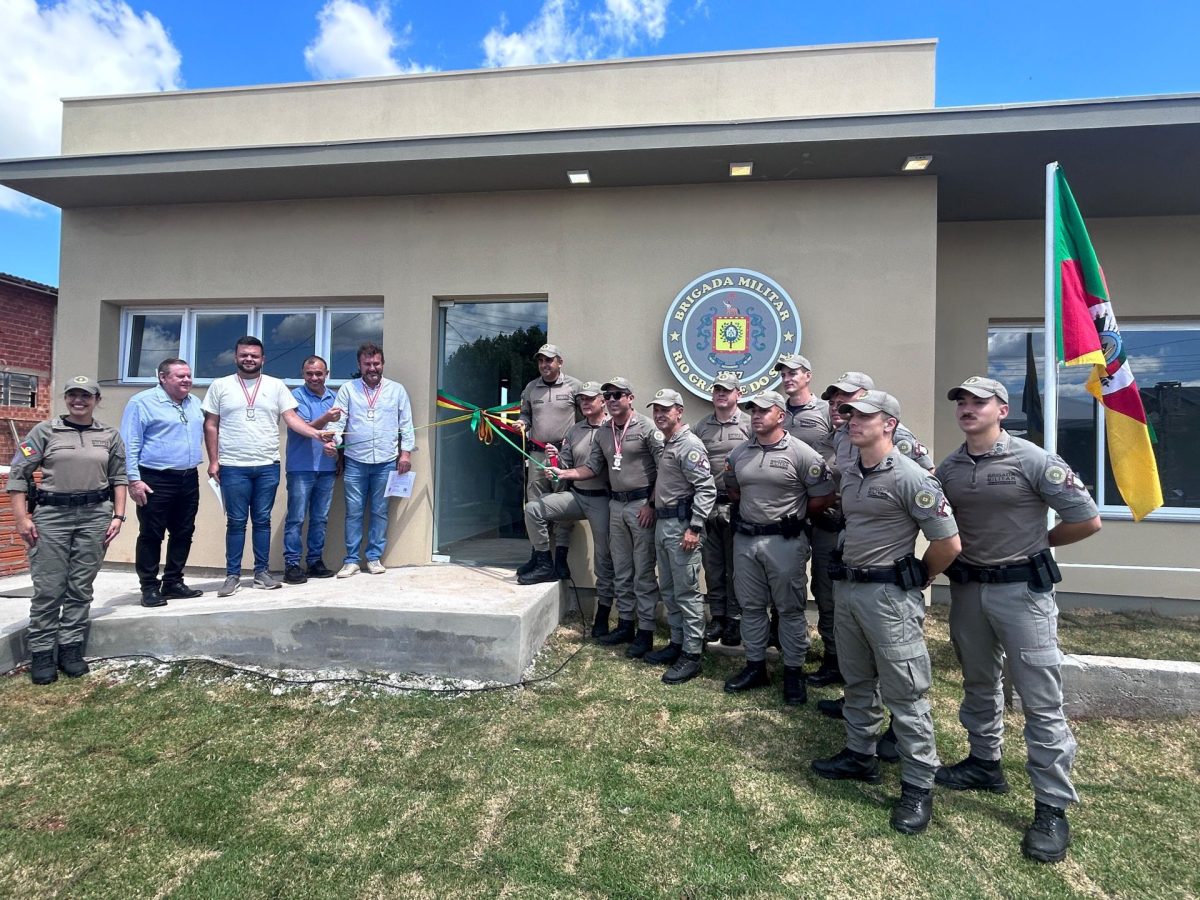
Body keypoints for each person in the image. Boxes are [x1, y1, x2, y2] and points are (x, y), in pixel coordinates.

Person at [935, 376, 1101, 863]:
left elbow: (1086, 519)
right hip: (969, 591)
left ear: (1002, 410)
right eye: (961, 401)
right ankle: (984, 763)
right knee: (978, 682)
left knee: (1040, 699)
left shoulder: (1033, 460)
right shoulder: (950, 467)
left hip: (1022, 594)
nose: (968, 409)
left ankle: (1051, 805)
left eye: (979, 402)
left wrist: (1038, 546)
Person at [811, 391, 960, 836]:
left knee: (905, 693)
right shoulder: (852, 474)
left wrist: (922, 576)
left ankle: (918, 784)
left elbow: (948, 543)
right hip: (851, 591)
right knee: (857, 680)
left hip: (890, 598)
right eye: (849, 415)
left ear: (889, 424)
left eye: (862, 416)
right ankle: (860, 754)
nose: (850, 421)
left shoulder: (912, 478)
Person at [7, 376, 128, 684]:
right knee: (49, 588)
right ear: (66, 398)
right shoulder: (44, 431)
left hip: (95, 516)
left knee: (80, 586)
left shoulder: (109, 435)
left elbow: (119, 478)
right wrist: (22, 519)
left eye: (86, 396)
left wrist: (119, 516)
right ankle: (42, 653)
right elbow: (19, 475)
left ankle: (70, 648)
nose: (79, 400)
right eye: (73, 395)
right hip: (52, 517)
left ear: (96, 400)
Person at [722, 390, 835, 704]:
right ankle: (755, 666)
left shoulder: (803, 454)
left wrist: (793, 517)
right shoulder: (738, 454)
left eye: (763, 410)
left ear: (780, 416)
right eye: (752, 411)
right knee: (752, 607)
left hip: (784, 542)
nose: (755, 416)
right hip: (746, 541)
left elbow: (823, 496)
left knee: (789, 609)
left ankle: (794, 673)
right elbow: (734, 491)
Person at [202, 336, 334, 597]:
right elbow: (210, 424)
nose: (249, 359)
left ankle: (262, 573)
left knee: (262, 521)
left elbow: (291, 419)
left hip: (267, 465)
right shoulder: (220, 385)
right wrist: (214, 460)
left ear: (263, 359)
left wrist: (315, 433)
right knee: (236, 523)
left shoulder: (276, 386)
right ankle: (232, 576)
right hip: (233, 465)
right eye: (244, 355)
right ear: (236, 357)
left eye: (254, 355)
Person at [549, 377, 663, 656]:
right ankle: (625, 624)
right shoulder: (604, 432)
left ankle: (645, 631)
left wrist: (652, 504)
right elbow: (591, 468)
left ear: (630, 398)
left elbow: (665, 470)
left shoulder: (647, 427)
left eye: (617, 395)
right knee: (621, 569)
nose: (612, 400)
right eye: (608, 395)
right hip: (615, 505)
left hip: (641, 506)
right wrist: (565, 473)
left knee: (643, 571)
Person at [519, 383, 616, 638]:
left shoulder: (613, 428)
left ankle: (603, 614)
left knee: (604, 559)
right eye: (582, 399)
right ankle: (543, 563)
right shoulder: (575, 430)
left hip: (603, 500)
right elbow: (565, 465)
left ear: (602, 401)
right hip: (577, 495)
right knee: (533, 509)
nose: (585, 403)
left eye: (590, 399)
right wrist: (554, 457)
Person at [642, 388, 716, 684]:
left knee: (687, 593)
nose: (660, 414)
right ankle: (676, 643)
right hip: (664, 524)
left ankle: (692, 654)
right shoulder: (669, 443)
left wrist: (695, 527)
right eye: (656, 409)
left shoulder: (689, 445)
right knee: (670, 590)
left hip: (682, 527)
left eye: (666, 409)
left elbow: (706, 489)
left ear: (679, 412)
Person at [775, 354, 840, 685]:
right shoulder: (776, 412)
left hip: (825, 512)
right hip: (790, 514)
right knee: (787, 580)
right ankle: (790, 645)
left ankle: (833, 657)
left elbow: (843, 451)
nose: (788, 378)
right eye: (783, 373)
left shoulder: (827, 411)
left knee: (825, 587)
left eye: (794, 373)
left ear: (808, 376)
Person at [119, 358, 205, 608]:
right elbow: (130, 444)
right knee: (151, 534)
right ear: (163, 377)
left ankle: (173, 582)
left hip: (188, 476)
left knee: (184, 532)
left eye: (188, 375)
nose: (187, 380)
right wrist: (133, 480)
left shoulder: (195, 402)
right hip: (155, 478)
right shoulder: (141, 402)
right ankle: (149, 587)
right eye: (180, 376)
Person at [328, 342, 415, 578]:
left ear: (383, 363)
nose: (372, 368)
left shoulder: (397, 390)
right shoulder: (347, 390)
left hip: (387, 461)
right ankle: (351, 561)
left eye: (376, 363)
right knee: (353, 512)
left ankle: (374, 558)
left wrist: (405, 453)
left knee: (379, 511)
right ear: (360, 365)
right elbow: (337, 422)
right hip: (356, 461)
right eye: (367, 364)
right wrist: (332, 443)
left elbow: (406, 424)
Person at [692, 371, 752, 646]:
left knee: (736, 567)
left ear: (738, 394)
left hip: (738, 505)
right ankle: (717, 616)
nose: (721, 394)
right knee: (712, 565)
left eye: (727, 390)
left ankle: (735, 619)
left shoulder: (750, 425)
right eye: (717, 389)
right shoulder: (702, 427)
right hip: (708, 504)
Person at [515, 344, 582, 580]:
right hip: (537, 455)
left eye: (549, 360)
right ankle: (539, 558)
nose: (544, 365)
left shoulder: (575, 386)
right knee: (534, 503)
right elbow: (525, 414)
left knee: (562, 504)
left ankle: (561, 559)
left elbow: (584, 420)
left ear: (559, 362)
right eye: (541, 361)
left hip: (563, 456)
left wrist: (572, 446)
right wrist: (523, 423)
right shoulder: (531, 388)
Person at [282, 356, 342, 584]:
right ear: (303, 373)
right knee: (296, 518)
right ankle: (292, 564)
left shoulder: (335, 398)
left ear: (327, 374)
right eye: (309, 373)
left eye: (319, 373)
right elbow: (301, 429)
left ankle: (315, 561)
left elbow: (338, 433)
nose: (314, 378)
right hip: (301, 467)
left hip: (326, 468)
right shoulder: (294, 397)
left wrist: (337, 454)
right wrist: (326, 417)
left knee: (320, 518)